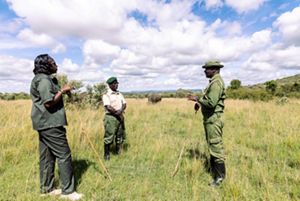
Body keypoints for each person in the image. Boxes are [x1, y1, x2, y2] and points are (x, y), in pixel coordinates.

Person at [30, 54, 83, 200]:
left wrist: (63, 91)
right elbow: (48, 102)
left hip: (44, 123)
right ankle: (68, 192)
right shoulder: (44, 80)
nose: (56, 65)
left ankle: (47, 189)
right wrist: (62, 91)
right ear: (46, 65)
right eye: (53, 63)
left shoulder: (43, 79)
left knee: (47, 157)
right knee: (64, 155)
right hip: (50, 123)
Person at [188, 60, 226, 186]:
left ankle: (219, 178)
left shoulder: (216, 83)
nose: (205, 71)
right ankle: (214, 171)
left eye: (207, 69)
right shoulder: (214, 82)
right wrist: (199, 103)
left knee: (215, 145)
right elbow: (208, 100)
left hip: (214, 120)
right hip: (210, 119)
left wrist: (197, 98)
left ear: (214, 69)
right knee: (212, 144)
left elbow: (211, 102)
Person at [102, 77, 127, 160]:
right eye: (115, 83)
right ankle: (106, 154)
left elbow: (124, 104)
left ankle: (118, 151)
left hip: (120, 116)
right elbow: (108, 107)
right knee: (109, 136)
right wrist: (118, 113)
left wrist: (121, 111)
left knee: (120, 135)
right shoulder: (106, 94)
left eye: (117, 83)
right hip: (111, 117)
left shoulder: (119, 94)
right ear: (110, 85)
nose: (116, 85)